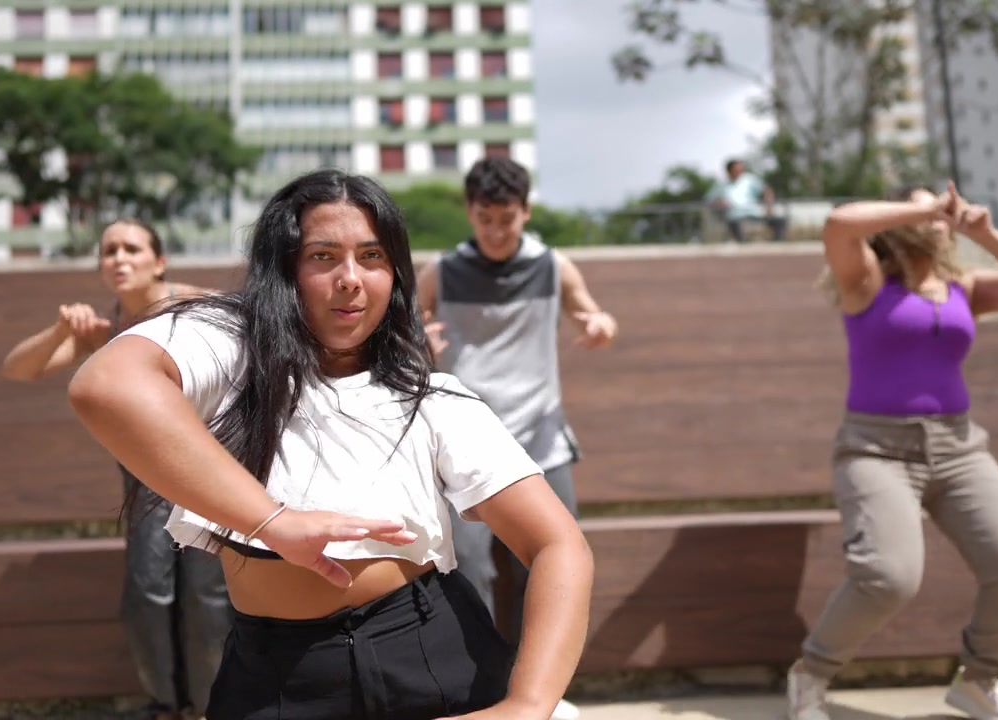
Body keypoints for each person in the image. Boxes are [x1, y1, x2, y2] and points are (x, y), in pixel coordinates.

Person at [66, 169, 595, 720]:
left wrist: (528, 705)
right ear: (284, 267)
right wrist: (273, 522)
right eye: (323, 256)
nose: (350, 279)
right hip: (274, 677)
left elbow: (559, 545)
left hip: (431, 655)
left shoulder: (434, 398)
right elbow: (104, 387)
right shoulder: (227, 348)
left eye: (372, 257)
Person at [787, 182, 998, 720]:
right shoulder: (865, 280)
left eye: (941, 207)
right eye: (924, 207)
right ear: (896, 221)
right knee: (887, 576)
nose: (940, 214)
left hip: (959, 448)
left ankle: (979, 682)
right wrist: (924, 208)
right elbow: (839, 223)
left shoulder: (963, 286)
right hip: (876, 450)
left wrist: (986, 233)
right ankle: (810, 675)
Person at [0, 219, 230, 720]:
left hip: (207, 472)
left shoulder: (198, 306)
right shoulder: (105, 330)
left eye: (131, 248)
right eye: (109, 251)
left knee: (206, 596)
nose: (119, 259)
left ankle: (209, 707)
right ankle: (167, 705)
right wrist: (62, 331)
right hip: (146, 480)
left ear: (159, 261)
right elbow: (17, 368)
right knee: (147, 594)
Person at [416, 156, 617, 720]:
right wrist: (420, 340)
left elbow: (594, 315)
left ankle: (541, 693)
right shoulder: (442, 271)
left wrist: (600, 326)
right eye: (485, 219)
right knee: (467, 567)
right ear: (470, 212)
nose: (496, 231)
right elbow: (409, 328)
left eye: (506, 219)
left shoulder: (554, 266)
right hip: (464, 442)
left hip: (541, 438)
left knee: (552, 565)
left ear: (526, 211)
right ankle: (481, 692)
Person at [705, 158, 787, 242]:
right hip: (735, 216)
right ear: (729, 171)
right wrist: (719, 203)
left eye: (741, 170)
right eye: (736, 170)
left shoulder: (750, 179)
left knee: (779, 221)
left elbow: (767, 191)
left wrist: (768, 208)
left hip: (754, 213)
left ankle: (777, 244)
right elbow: (708, 200)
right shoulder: (720, 184)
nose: (739, 172)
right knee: (737, 226)